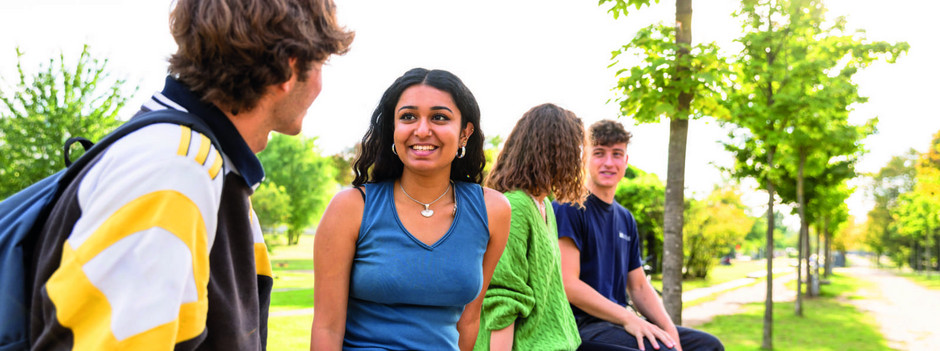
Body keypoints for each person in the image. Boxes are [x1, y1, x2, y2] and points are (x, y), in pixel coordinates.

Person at [26, 0, 353, 349]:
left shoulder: (200, 163)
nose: (321, 82)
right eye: (322, 62)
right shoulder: (175, 170)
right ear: (290, 68)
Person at [310, 68, 511, 351]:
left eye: (439, 117)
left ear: (465, 133)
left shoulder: (493, 211)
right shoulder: (351, 208)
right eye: (408, 117)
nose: (422, 130)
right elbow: (326, 327)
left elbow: (469, 320)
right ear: (393, 129)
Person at [554, 120, 724, 351]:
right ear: (584, 157)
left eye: (617, 154)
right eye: (599, 153)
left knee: (708, 346)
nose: (608, 162)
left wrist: (670, 330)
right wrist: (629, 318)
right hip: (582, 325)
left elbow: (639, 287)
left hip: (617, 323)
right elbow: (568, 284)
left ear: (626, 161)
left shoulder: (625, 218)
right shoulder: (570, 207)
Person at [475, 103, 586, 351]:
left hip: (559, 343)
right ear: (556, 151)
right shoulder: (516, 207)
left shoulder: (545, 205)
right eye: (574, 149)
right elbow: (504, 298)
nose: (579, 159)